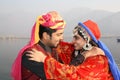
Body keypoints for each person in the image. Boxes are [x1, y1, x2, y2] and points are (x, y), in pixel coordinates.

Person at [27, 20, 120, 80]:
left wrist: (44, 59)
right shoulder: (78, 50)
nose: (73, 41)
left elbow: (74, 76)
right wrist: (48, 23)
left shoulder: (98, 60)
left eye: (76, 38)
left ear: (87, 39)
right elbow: (57, 43)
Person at [11, 11, 66, 80]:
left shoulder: (53, 49)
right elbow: (56, 75)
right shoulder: (31, 54)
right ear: (46, 36)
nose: (62, 38)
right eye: (58, 35)